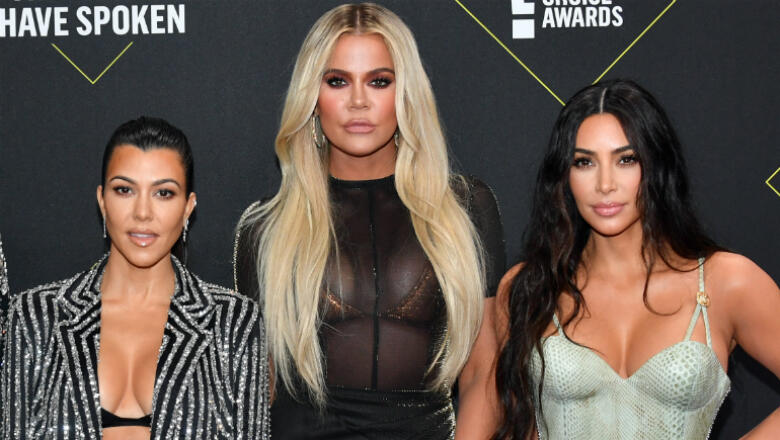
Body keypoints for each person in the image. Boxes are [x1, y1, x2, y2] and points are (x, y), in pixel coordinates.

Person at [234, 3, 505, 438]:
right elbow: (256, 391)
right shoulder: (266, 227)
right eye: (337, 81)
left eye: (379, 81)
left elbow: (483, 373)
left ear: (406, 94)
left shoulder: (465, 209)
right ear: (312, 97)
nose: (358, 101)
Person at [494, 79, 780, 439]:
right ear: (564, 176)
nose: (605, 184)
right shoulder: (529, 288)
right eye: (584, 162)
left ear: (657, 166)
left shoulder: (726, 281)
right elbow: (519, 427)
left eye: (626, 160)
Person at [1, 117, 270, 439]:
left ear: (188, 207)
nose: (142, 212)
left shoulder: (235, 322)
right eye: (124, 190)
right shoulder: (35, 317)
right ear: (102, 201)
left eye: (164, 193)